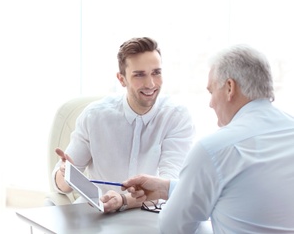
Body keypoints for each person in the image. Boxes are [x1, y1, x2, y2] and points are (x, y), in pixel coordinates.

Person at [122, 44, 294, 233]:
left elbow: (173, 228)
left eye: (211, 91)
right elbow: (245, 192)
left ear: (230, 87)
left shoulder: (215, 149)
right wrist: (168, 188)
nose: (211, 104)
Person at [52, 37, 195, 213]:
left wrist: (124, 200)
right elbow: (62, 187)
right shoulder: (94, 116)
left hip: (149, 214)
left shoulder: (176, 117)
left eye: (156, 72)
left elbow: (169, 186)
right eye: (139, 74)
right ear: (122, 79)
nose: (151, 84)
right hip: (96, 214)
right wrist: (65, 175)